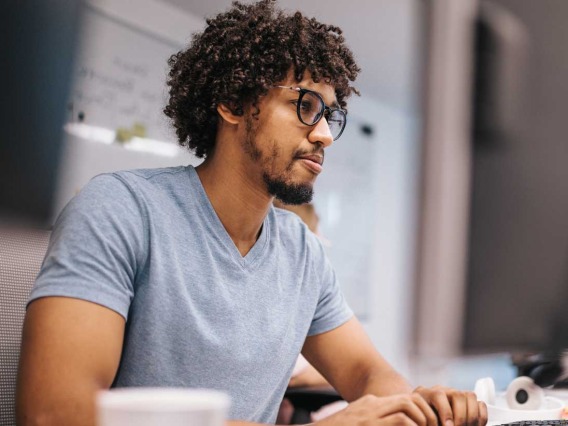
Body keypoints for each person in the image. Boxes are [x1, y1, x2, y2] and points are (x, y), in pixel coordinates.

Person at [16, 1, 488, 425]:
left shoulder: (302, 251)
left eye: (330, 115)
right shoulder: (119, 209)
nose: (324, 133)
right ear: (232, 104)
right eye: (305, 105)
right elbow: (54, 413)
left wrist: (424, 406)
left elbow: (366, 373)